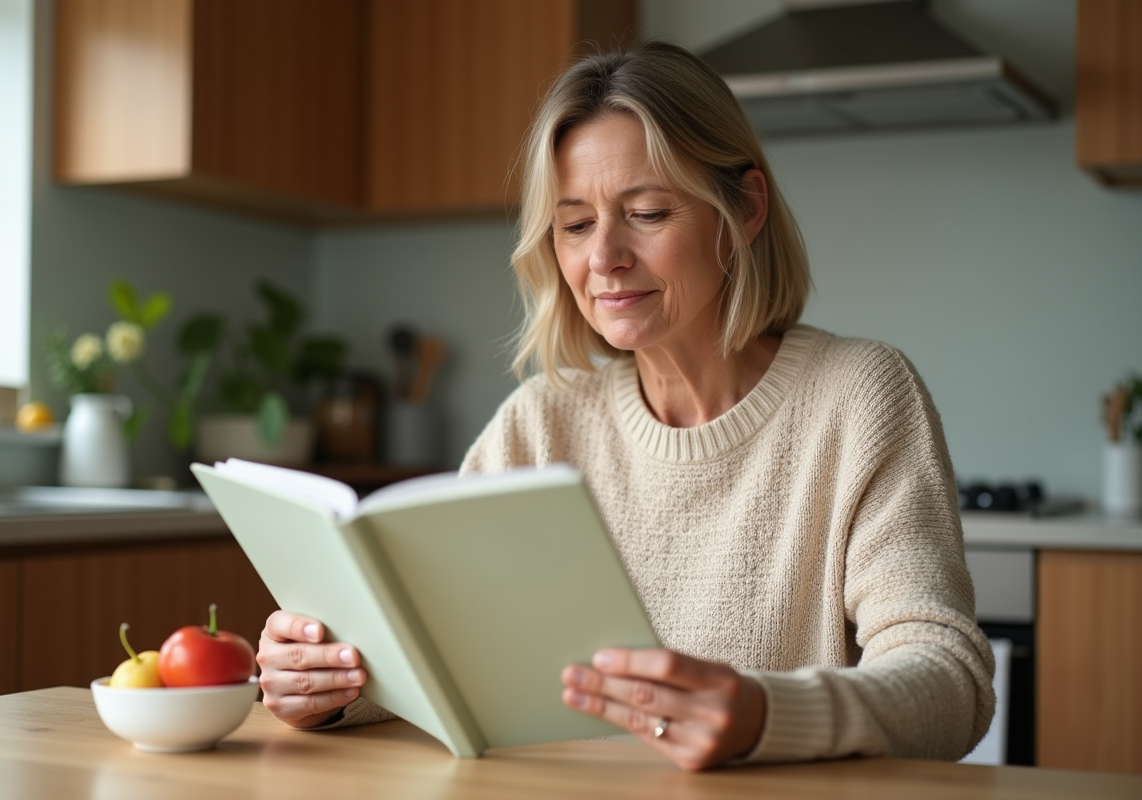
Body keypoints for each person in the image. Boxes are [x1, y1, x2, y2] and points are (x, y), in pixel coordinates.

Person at [256, 40, 995, 771]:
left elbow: (949, 681)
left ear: (743, 210)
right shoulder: (540, 422)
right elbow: (442, 652)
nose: (603, 255)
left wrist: (769, 716)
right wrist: (331, 683)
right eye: (575, 224)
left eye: (645, 212)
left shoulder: (860, 396)